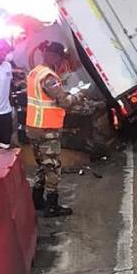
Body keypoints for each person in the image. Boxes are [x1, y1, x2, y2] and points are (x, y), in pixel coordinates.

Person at [26, 41, 80, 217]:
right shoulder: (48, 77)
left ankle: (36, 199)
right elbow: (64, 101)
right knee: (53, 166)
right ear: (54, 56)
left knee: (42, 163)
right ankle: (51, 205)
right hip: (46, 128)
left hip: (34, 126)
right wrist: (79, 95)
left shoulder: (35, 72)